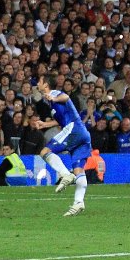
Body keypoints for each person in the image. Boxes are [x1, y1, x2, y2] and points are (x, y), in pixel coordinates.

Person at [33, 77, 92, 216]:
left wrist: (54, 99)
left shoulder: (54, 94)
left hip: (74, 130)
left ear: (46, 84)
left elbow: (65, 97)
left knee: (45, 151)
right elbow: (59, 121)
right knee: (78, 170)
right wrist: (44, 124)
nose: (37, 84)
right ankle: (78, 202)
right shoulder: (51, 103)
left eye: (40, 82)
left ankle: (65, 174)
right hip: (83, 135)